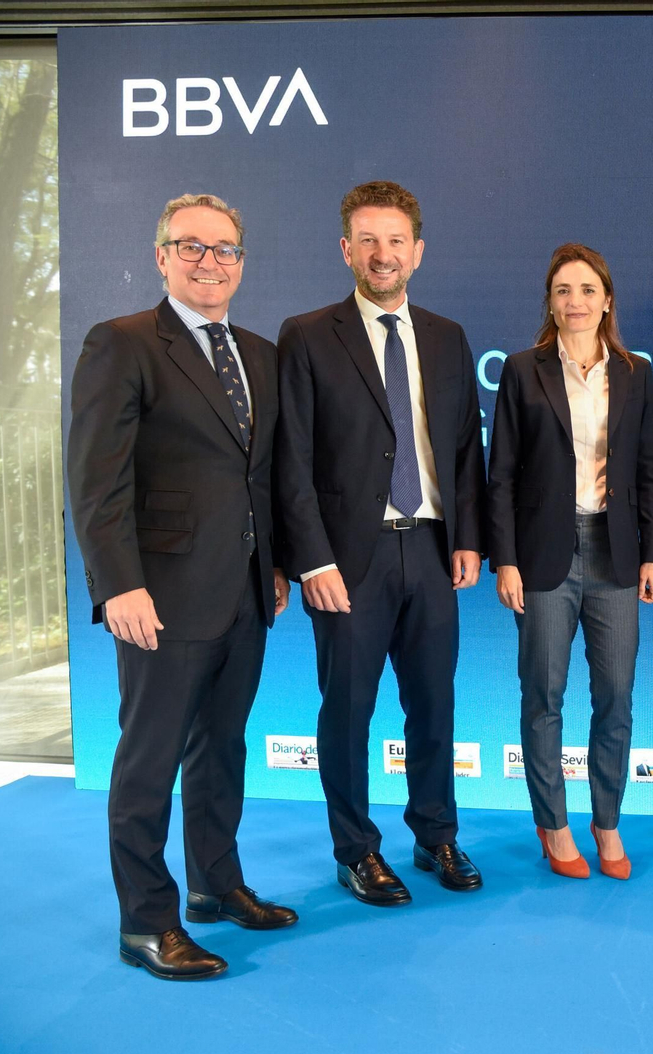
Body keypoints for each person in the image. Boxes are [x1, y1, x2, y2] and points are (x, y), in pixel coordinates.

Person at [69, 193, 296, 981]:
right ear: (161, 255)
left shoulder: (259, 354)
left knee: (221, 748)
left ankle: (215, 885)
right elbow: (96, 483)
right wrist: (117, 586)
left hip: (243, 594)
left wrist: (272, 563)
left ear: (242, 261)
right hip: (157, 599)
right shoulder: (123, 343)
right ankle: (146, 922)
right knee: (148, 759)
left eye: (225, 248)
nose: (209, 261)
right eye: (191, 247)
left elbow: (258, 477)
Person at [275, 181, 487, 905]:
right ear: (346, 250)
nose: (382, 253)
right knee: (349, 710)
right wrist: (312, 559)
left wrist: (469, 538)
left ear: (418, 251)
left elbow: (464, 448)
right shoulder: (306, 335)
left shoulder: (448, 336)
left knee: (434, 706)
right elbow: (292, 459)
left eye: (395, 240)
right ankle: (356, 851)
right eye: (367, 240)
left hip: (431, 549)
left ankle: (436, 837)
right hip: (347, 562)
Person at [486, 243, 653, 880]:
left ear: (607, 299)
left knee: (615, 697)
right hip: (542, 558)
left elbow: (649, 471)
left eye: (588, 289)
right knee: (544, 696)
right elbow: (500, 475)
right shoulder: (521, 369)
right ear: (551, 302)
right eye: (564, 290)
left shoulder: (635, 372)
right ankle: (555, 825)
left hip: (617, 555)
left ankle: (607, 823)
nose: (576, 302)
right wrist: (503, 560)